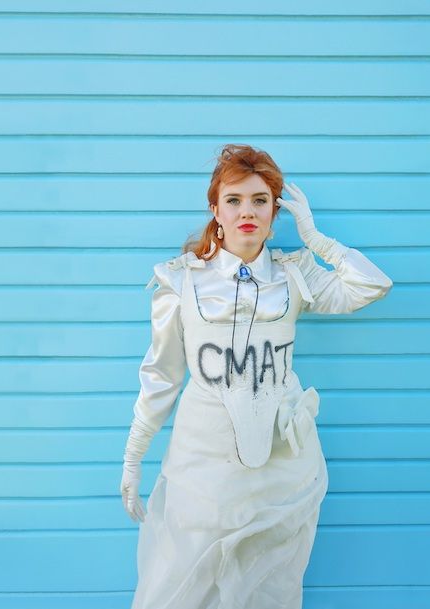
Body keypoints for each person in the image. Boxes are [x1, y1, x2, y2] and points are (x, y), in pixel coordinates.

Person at [121, 144, 393, 608]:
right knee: (185, 578)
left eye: (260, 200)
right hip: (203, 463)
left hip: (279, 463)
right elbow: (162, 376)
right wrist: (133, 457)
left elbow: (372, 285)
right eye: (234, 200)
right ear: (216, 210)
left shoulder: (295, 275)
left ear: (275, 212)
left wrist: (316, 240)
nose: (247, 212)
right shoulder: (181, 281)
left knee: (266, 587)